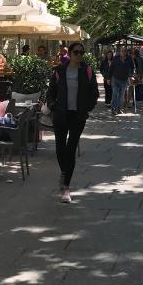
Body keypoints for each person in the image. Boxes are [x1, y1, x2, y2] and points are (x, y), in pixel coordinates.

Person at [46, 44, 99, 203]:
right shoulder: (59, 70)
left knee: (71, 149)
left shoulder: (87, 70)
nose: (79, 55)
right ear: (69, 54)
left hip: (78, 116)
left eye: (82, 53)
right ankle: (64, 173)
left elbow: (94, 92)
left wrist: (86, 108)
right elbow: (51, 92)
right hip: (61, 114)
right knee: (60, 149)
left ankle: (66, 187)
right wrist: (53, 105)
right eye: (76, 52)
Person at [110, 45, 135, 116]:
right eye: (122, 51)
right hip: (115, 78)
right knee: (115, 94)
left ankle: (118, 108)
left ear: (126, 52)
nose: (123, 52)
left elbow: (132, 68)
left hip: (124, 79)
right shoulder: (116, 58)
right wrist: (108, 78)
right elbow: (111, 68)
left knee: (121, 95)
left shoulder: (129, 58)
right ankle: (113, 108)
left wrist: (131, 75)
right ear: (120, 51)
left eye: (125, 51)